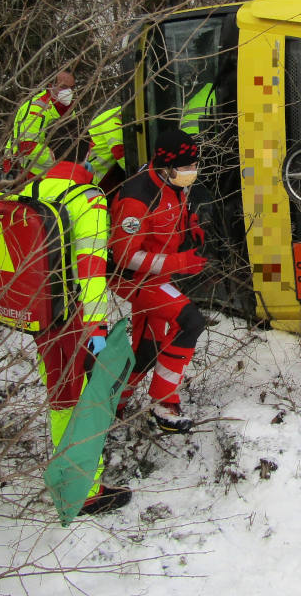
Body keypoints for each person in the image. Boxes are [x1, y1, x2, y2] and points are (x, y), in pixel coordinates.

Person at [22, 119, 130, 515]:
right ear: (87, 150)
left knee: (61, 398)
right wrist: (98, 331)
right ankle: (85, 490)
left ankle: (71, 476)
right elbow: (90, 271)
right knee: (85, 402)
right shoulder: (88, 198)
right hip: (72, 317)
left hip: (38, 312)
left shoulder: (32, 189)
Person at [107, 127, 208, 433]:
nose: (192, 172)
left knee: (146, 349)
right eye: (186, 167)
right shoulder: (137, 199)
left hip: (156, 275)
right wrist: (180, 263)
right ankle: (164, 403)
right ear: (165, 166)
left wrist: (193, 229)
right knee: (190, 321)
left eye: (194, 166)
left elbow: (175, 217)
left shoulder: (173, 182)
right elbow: (126, 257)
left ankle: (114, 406)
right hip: (134, 279)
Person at [3, 71, 76, 182]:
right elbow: (26, 146)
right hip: (24, 171)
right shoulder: (36, 108)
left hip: (52, 172)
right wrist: (60, 160)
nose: (68, 92)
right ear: (51, 86)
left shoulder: (69, 109)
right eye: (64, 87)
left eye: (71, 88)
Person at [87, 104, 126, 201]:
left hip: (105, 177)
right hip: (94, 178)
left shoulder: (117, 117)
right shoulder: (112, 121)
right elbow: (119, 152)